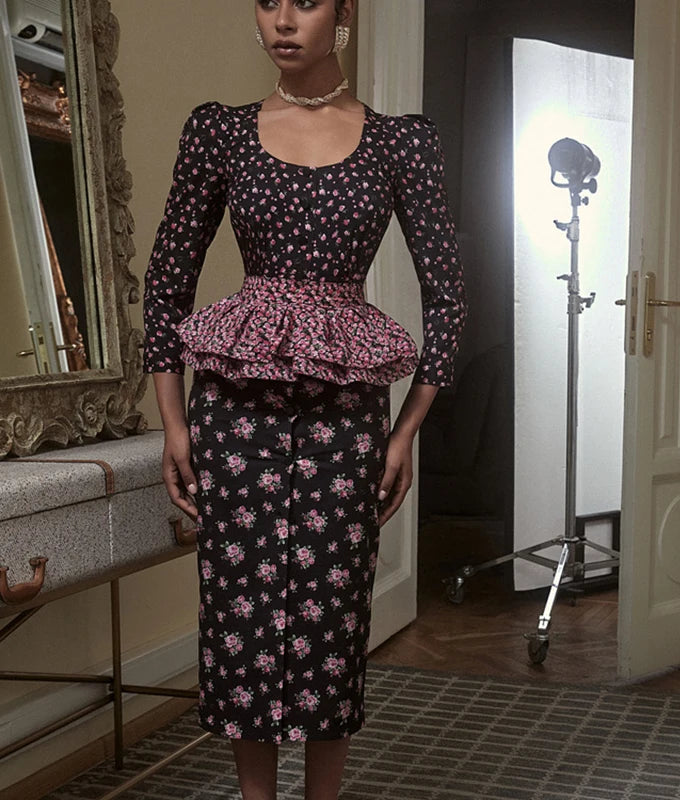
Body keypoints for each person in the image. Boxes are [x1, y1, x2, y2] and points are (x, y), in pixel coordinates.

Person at [141, 0, 468, 798]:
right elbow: (167, 280)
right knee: (241, 621)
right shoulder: (218, 130)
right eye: (267, 1)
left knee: (330, 622)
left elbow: (449, 294)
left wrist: (407, 432)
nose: (284, 20)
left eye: (307, 1)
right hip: (234, 418)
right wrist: (173, 422)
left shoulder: (401, 141)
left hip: (345, 422)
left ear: (345, 11)